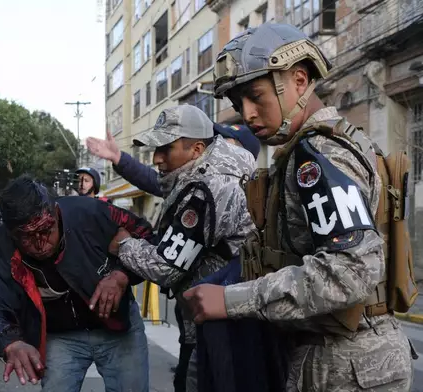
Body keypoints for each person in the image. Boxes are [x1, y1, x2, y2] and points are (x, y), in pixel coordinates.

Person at [183, 22, 413, 391]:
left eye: (256, 96)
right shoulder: (312, 150)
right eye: (237, 102)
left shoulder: (318, 157)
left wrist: (230, 300)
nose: (247, 114)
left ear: (300, 81)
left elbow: (349, 271)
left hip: (343, 364)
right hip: (334, 357)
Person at [104, 104, 276, 392]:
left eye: (165, 149)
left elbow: (165, 267)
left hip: (217, 326)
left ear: (196, 149)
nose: (157, 158)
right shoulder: (223, 163)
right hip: (228, 314)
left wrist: (124, 245)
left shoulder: (207, 190)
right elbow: (160, 183)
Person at [0, 175, 153, 392]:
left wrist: (121, 275)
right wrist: (10, 342)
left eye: (46, 230)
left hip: (118, 328)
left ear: (56, 213)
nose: (40, 244)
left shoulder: (91, 212)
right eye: (27, 237)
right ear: (12, 234)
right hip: (60, 336)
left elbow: (147, 236)